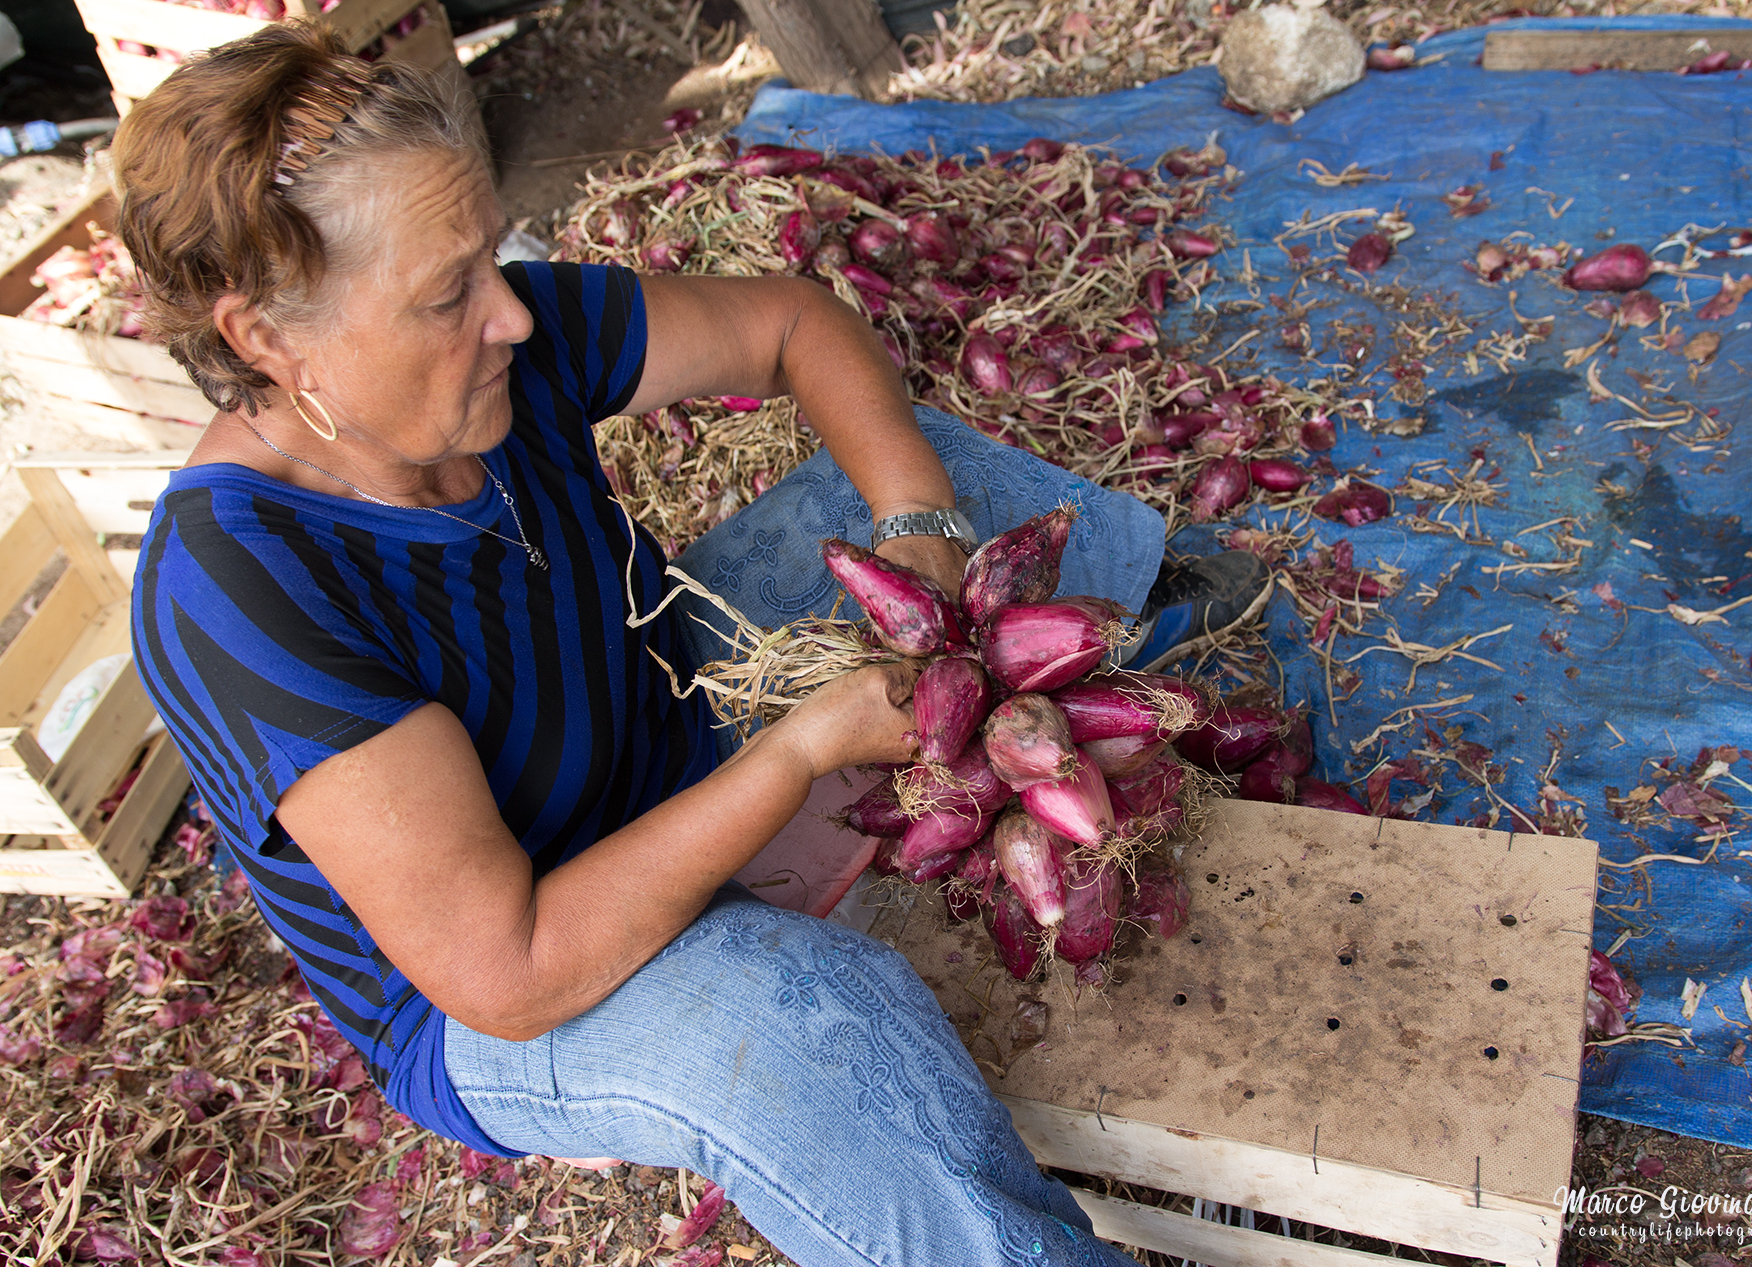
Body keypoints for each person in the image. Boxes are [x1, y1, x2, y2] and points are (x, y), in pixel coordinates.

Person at [118, 21, 1168, 1267]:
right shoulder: (240, 589)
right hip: (512, 984)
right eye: (447, 294)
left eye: (489, 258)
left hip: (661, 714)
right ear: (264, 341)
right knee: (816, 1028)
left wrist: (920, 523)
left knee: (989, 511)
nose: (509, 315)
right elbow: (508, 969)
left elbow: (792, 325)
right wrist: (791, 756)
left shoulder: (505, 345)